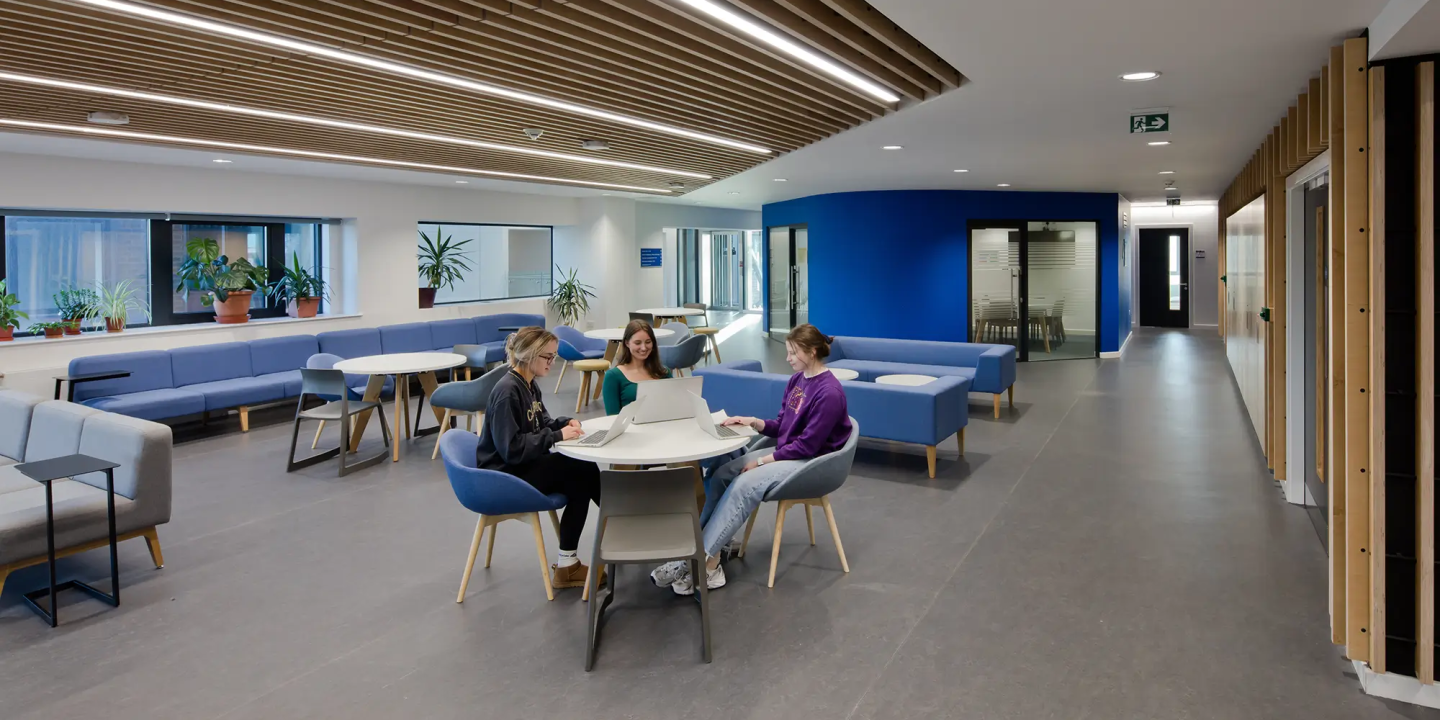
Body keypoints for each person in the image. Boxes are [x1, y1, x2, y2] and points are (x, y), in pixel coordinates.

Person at [651, 324, 852, 594]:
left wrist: (760, 461)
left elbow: (808, 446)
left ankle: (705, 564)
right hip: (790, 453)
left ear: (812, 351)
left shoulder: (829, 393)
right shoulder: (798, 380)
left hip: (811, 463)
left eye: (793, 352)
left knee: (744, 485)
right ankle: (708, 547)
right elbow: (783, 425)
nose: (787, 358)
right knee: (723, 474)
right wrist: (753, 422)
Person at [476, 326, 603, 590]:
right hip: (504, 475)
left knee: (580, 477)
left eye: (553, 356)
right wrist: (557, 436)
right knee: (583, 470)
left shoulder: (528, 385)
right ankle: (619, 523)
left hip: (521, 465)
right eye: (548, 357)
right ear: (529, 355)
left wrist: (563, 423)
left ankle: (568, 565)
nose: (552, 362)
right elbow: (511, 449)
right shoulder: (507, 391)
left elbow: (541, 422)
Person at [601, 319, 672, 415]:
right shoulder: (613, 376)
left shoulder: (664, 372)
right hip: (630, 429)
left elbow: (672, 406)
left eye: (648, 342)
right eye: (637, 343)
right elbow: (612, 417)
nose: (643, 348)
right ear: (627, 343)